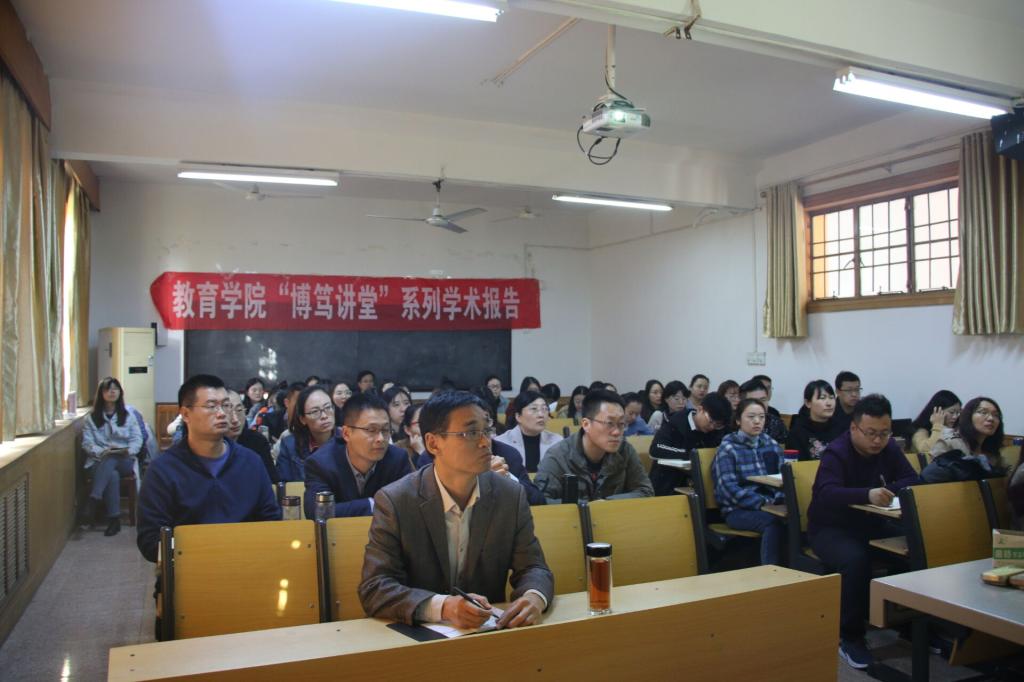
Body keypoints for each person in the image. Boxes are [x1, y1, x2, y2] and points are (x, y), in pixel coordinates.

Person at [358, 391, 553, 628]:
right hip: (415, 635)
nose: (485, 442)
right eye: (470, 433)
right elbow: (375, 587)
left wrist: (533, 597)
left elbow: (533, 567)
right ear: (433, 443)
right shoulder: (396, 500)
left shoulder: (510, 495)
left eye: (487, 430)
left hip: (487, 632)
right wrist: (443, 607)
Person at [806, 394, 919, 670]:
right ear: (854, 428)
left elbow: (912, 478)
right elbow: (826, 493)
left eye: (884, 433)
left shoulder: (888, 448)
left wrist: (886, 491)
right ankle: (850, 637)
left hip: (871, 524)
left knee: (913, 550)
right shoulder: (837, 452)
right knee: (855, 560)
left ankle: (910, 625)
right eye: (871, 433)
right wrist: (867, 494)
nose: (878, 440)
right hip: (830, 528)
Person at [137, 374, 280, 564]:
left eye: (226, 405)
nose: (222, 413)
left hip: (245, 564)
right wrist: (199, 552)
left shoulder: (250, 462)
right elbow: (150, 540)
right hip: (188, 568)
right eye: (211, 406)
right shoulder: (163, 470)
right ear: (185, 414)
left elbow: (271, 520)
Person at [303, 393, 412, 518]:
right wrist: (372, 504)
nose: (381, 438)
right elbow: (318, 511)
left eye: (385, 430)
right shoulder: (321, 463)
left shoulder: (398, 459)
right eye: (371, 430)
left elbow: (408, 506)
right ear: (346, 433)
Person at [534, 390, 653, 502]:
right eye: (609, 423)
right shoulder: (558, 456)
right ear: (586, 424)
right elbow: (541, 501)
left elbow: (645, 491)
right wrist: (583, 507)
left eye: (621, 424)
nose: (617, 432)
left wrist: (607, 504)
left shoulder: (624, 450)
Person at [711, 399, 785, 565]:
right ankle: (770, 571)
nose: (757, 421)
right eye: (751, 417)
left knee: (797, 518)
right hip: (738, 510)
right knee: (772, 522)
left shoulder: (771, 444)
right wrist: (763, 503)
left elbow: (783, 478)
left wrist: (777, 500)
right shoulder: (728, 448)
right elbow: (727, 489)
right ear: (738, 420)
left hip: (771, 505)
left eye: (761, 417)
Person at [81, 377, 143, 537]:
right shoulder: (91, 418)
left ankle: (93, 499)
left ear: (120, 392)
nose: (112, 392)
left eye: (115, 389)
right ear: (101, 393)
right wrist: (102, 451)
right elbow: (87, 444)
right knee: (112, 472)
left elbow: (137, 439)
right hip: (98, 460)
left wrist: (127, 450)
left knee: (112, 459)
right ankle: (114, 520)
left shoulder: (128, 416)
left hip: (125, 460)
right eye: (108, 389)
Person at [649, 392, 732, 496]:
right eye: (710, 421)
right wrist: (691, 455)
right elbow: (655, 449)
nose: (712, 427)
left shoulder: (719, 430)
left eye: (717, 425)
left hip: (703, 485)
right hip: (668, 484)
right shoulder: (677, 422)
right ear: (700, 409)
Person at [921, 396, 1007, 483]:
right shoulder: (949, 442)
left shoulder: (993, 450)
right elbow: (931, 479)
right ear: (968, 416)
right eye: (983, 412)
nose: (991, 418)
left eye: (996, 415)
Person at [276, 385, 341, 481]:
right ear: (303, 419)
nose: (324, 416)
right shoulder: (289, 445)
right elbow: (284, 485)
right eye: (315, 411)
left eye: (328, 407)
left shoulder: (348, 439)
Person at [494, 391, 562, 472]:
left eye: (544, 409)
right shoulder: (501, 443)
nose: (541, 415)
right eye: (534, 409)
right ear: (518, 416)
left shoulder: (557, 441)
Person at [225, 390, 280, 484]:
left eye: (239, 410)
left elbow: (271, 479)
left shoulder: (257, 441)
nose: (235, 419)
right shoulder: (211, 444)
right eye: (228, 412)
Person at [786, 380, 845, 461]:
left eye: (831, 398)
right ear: (808, 403)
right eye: (822, 398)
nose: (829, 403)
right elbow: (795, 465)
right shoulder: (797, 433)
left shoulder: (841, 429)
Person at [909, 390, 961, 455]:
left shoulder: (955, 429)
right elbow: (926, 450)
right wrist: (937, 425)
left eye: (958, 413)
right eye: (951, 412)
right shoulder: (920, 431)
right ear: (937, 411)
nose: (955, 417)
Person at [739, 379, 788, 444]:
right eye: (754, 401)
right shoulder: (734, 423)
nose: (760, 404)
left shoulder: (776, 423)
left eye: (763, 399)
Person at [395, 403, 425, 470]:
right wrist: (422, 452)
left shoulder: (441, 445)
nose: (427, 427)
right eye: (420, 423)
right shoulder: (398, 450)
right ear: (407, 430)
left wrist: (422, 451)